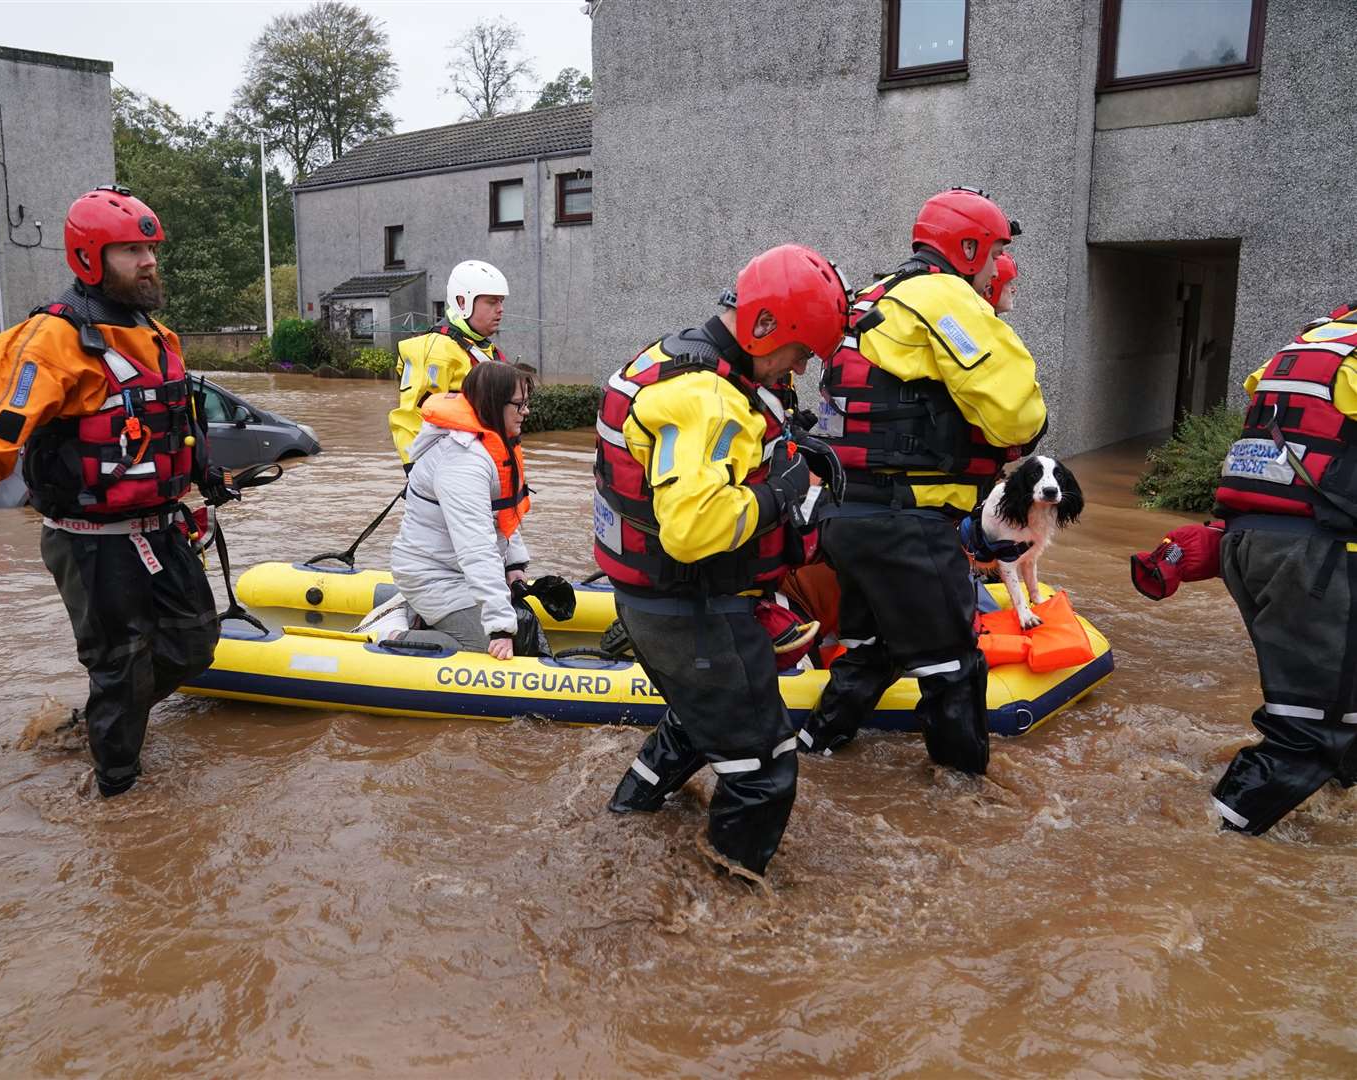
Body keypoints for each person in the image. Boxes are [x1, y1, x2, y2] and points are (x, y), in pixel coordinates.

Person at [0, 184, 239, 798]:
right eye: (130, 250)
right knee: (121, 664)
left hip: (160, 527)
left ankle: (106, 716)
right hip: (91, 542)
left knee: (194, 644)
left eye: (151, 248)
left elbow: (176, 422)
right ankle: (116, 796)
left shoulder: (158, 335)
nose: (149, 261)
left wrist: (204, 475)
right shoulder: (46, 343)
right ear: (88, 259)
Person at [596, 243, 850, 877]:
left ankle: (625, 817)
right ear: (764, 327)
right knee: (765, 770)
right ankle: (726, 920)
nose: (799, 369)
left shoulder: (685, 355)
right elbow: (692, 528)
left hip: (669, 597)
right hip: (685, 600)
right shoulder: (706, 396)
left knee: (700, 719)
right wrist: (783, 491)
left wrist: (797, 450)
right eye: (799, 353)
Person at [801, 187, 1047, 775]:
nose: (994, 272)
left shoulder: (870, 297)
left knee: (871, 651)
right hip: (906, 524)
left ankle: (817, 750)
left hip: (845, 518)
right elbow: (1018, 415)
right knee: (955, 672)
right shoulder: (944, 298)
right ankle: (965, 806)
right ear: (967, 248)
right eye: (992, 256)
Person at [1205, 300, 1357, 834]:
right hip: (1317, 559)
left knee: (1342, 709)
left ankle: (1330, 802)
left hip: (1251, 545)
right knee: (1313, 731)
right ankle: (1210, 843)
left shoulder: (1312, 344)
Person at [389, 362, 537, 659]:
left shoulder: (495, 445)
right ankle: (394, 635)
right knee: (486, 652)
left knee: (524, 631)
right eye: (519, 405)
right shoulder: (463, 463)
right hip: (433, 576)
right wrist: (499, 628)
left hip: (457, 570)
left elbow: (503, 514)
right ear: (495, 404)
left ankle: (423, 614)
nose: (526, 412)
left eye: (527, 403)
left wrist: (514, 566)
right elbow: (476, 546)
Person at [388, 260, 510, 469]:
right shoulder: (437, 350)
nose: (500, 309)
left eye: (501, 301)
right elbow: (412, 417)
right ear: (463, 303)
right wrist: (415, 470)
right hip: (453, 469)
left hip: (485, 463)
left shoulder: (483, 348)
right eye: (492, 302)